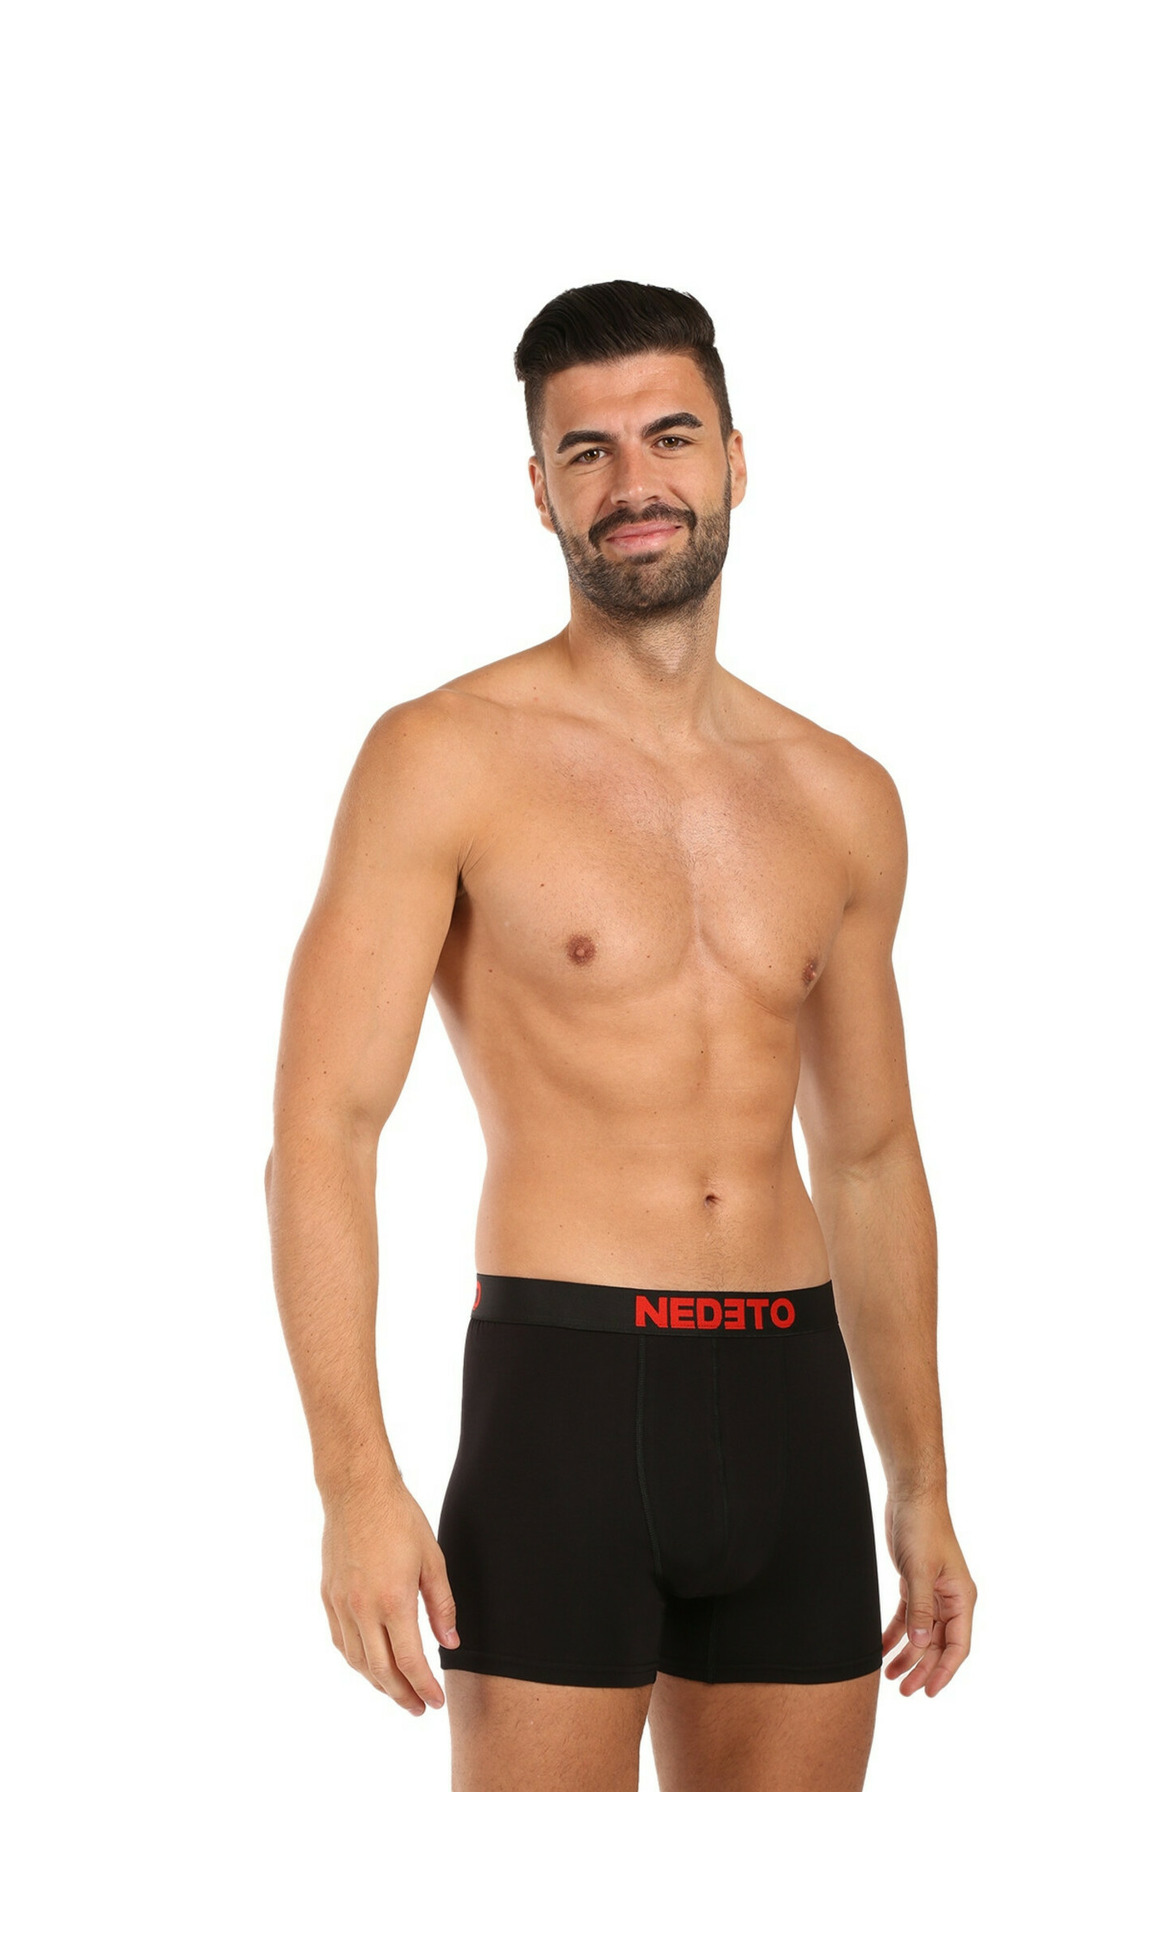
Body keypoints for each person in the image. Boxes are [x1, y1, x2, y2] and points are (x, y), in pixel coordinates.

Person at [266, 280, 976, 1792]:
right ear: (539, 489)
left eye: (669, 436)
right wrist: (353, 1483)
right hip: (566, 1400)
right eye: (585, 451)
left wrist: (919, 1479)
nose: (633, 481)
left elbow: (867, 1154)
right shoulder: (443, 756)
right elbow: (323, 1131)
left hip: (791, 1410)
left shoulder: (842, 795)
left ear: (736, 458)